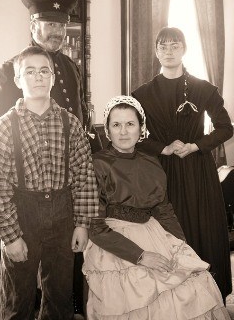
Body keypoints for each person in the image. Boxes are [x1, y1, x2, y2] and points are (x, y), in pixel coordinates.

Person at [0, 0, 98, 317]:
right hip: (22, 195)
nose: (55, 31)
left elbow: (79, 116)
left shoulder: (70, 67)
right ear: (33, 26)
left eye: (61, 24)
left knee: (58, 289)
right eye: (47, 23)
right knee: (20, 292)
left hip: (63, 193)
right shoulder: (11, 68)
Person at [82, 95, 230, 320]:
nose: (123, 131)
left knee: (185, 291)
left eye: (130, 124)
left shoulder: (152, 162)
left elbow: (164, 210)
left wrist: (182, 246)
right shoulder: (96, 164)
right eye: (116, 125)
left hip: (154, 233)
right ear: (108, 130)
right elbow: (95, 226)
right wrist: (140, 256)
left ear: (141, 128)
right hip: (114, 242)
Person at [132, 26, 233, 300]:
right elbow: (134, 135)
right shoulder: (141, 94)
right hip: (160, 172)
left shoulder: (203, 88)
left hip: (197, 170)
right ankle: (171, 300)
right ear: (156, 52)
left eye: (174, 45)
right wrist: (163, 148)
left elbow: (226, 128)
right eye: (163, 46)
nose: (169, 51)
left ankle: (208, 296)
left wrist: (196, 145)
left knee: (203, 229)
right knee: (168, 233)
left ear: (184, 49)